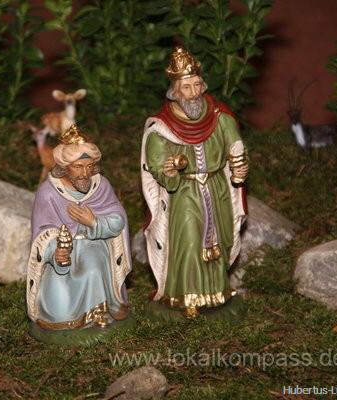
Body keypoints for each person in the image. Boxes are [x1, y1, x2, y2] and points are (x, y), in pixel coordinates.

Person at [140, 47, 249, 318]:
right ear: (175, 92)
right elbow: (156, 163)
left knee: (220, 240)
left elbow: (235, 146)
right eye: (186, 87)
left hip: (216, 187)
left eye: (197, 85)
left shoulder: (220, 117)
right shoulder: (162, 127)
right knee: (190, 241)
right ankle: (186, 296)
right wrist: (169, 171)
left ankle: (218, 292)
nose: (194, 93)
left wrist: (239, 165)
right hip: (185, 192)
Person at [26, 125, 131, 333]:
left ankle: (99, 311)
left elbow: (118, 220)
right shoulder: (48, 193)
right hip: (61, 258)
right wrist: (56, 251)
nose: (85, 173)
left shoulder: (101, 187)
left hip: (94, 244)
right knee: (58, 310)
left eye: (90, 166)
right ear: (64, 166)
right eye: (78, 166)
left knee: (93, 268)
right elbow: (41, 233)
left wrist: (94, 222)